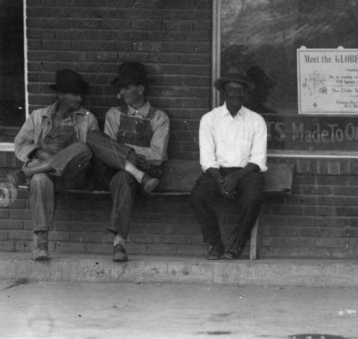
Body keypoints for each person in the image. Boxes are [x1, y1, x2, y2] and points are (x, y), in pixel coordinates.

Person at [6, 69, 98, 260]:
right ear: (60, 95)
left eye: (80, 94)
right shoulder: (38, 117)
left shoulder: (88, 118)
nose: (79, 98)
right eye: (74, 93)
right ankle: (41, 243)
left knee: (82, 147)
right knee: (39, 178)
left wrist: (64, 157)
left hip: (74, 175)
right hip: (47, 177)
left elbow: (93, 152)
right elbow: (20, 144)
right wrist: (42, 153)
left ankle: (26, 173)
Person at [86, 61, 170, 262]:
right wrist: (129, 154)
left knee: (124, 175)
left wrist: (125, 151)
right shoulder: (113, 114)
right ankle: (137, 174)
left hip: (146, 173)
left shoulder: (159, 118)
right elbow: (106, 151)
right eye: (120, 88)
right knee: (92, 137)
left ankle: (119, 243)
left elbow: (157, 155)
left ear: (140, 89)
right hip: (118, 173)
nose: (122, 92)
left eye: (127, 87)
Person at [189, 68, 267, 260]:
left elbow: (258, 159)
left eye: (241, 90)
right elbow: (207, 158)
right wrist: (222, 180)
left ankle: (238, 243)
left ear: (246, 94)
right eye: (232, 89)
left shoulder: (256, 120)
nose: (237, 94)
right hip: (217, 173)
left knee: (253, 198)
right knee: (198, 196)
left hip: (246, 173)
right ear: (224, 92)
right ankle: (215, 244)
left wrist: (235, 178)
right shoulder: (209, 119)